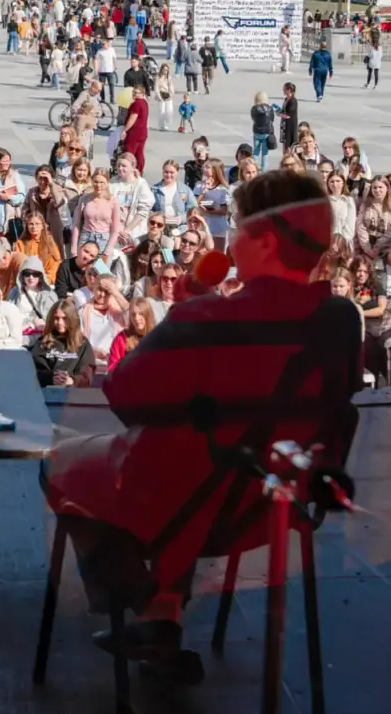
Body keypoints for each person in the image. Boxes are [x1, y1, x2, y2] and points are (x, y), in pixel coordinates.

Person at [43, 171, 360, 668]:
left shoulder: (209, 319)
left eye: (237, 226)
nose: (228, 238)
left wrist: (182, 323)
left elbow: (124, 395)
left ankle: (144, 599)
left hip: (194, 503)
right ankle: (166, 609)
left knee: (59, 468)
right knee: (199, 450)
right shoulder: (339, 321)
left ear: (263, 242)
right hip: (278, 503)